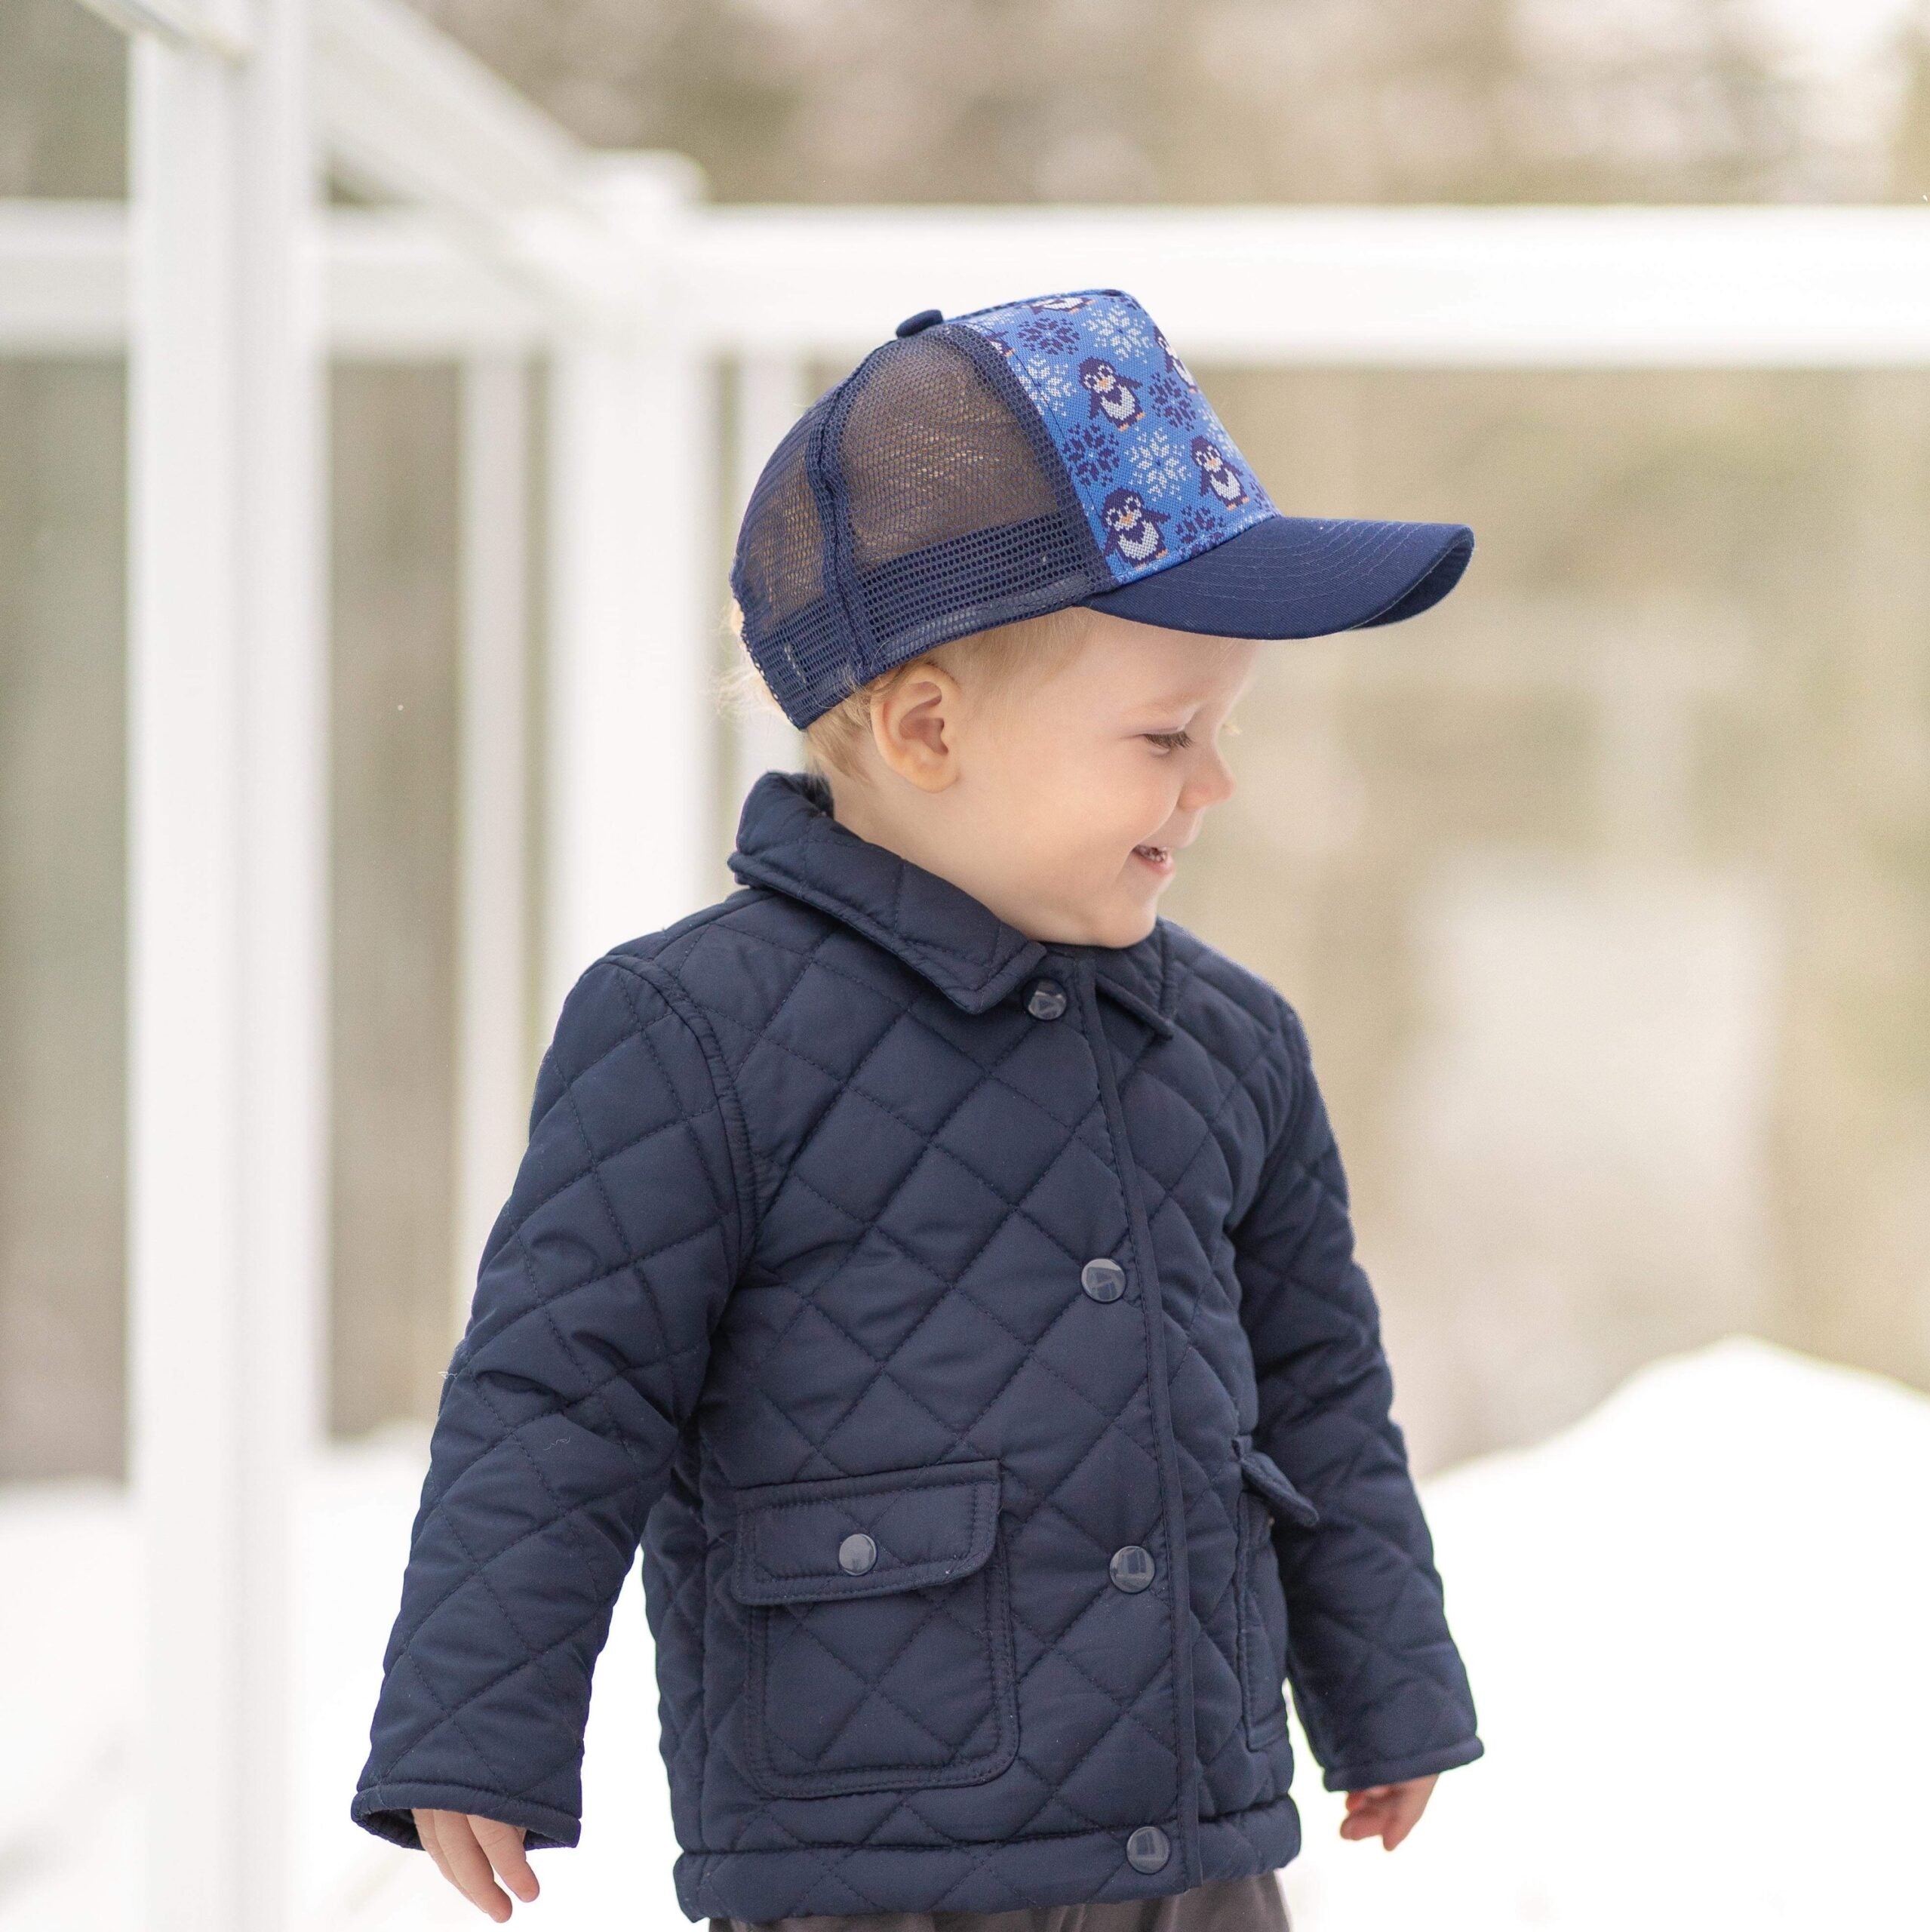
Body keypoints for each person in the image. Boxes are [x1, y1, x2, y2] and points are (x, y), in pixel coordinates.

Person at [349, 288, 1484, 1931]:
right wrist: (473, 1718)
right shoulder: (690, 1029)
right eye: (1167, 732)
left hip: (1195, 1845)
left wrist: (1385, 1683)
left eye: (1222, 730)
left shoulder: (1234, 1040)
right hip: (862, 1862)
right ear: (927, 726)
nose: (1213, 783)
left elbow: (1316, 1387)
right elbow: (556, 1393)